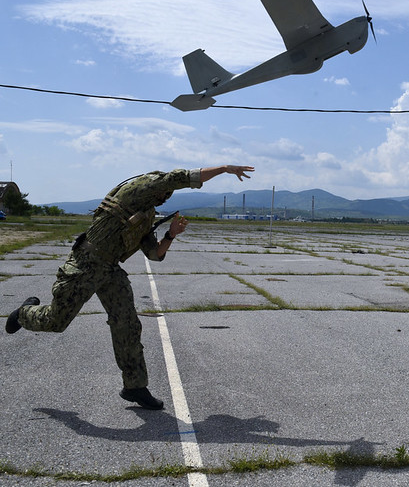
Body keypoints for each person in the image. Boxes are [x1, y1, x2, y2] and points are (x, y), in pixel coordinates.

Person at [5, 165, 254, 410]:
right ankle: (25, 313)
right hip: (86, 263)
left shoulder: (146, 215)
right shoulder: (135, 190)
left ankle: (134, 386)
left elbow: (154, 255)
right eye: (164, 190)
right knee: (56, 322)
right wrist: (223, 169)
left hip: (110, 270)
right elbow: (180, 177)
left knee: (128, 324)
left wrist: (171, 235)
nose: (166, 194)